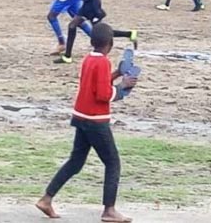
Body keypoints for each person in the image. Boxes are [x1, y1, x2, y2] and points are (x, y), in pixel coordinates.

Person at [35, 23, 137, 223]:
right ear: (110, 44)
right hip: (95, 120)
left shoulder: (89, 59)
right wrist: (122, 87)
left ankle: (46, 199)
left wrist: (116, 74)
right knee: (113, 162)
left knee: (75, 161)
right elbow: (103, 94)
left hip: (81, 116)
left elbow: (94, 84)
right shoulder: (103, 63)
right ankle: (109, 210)